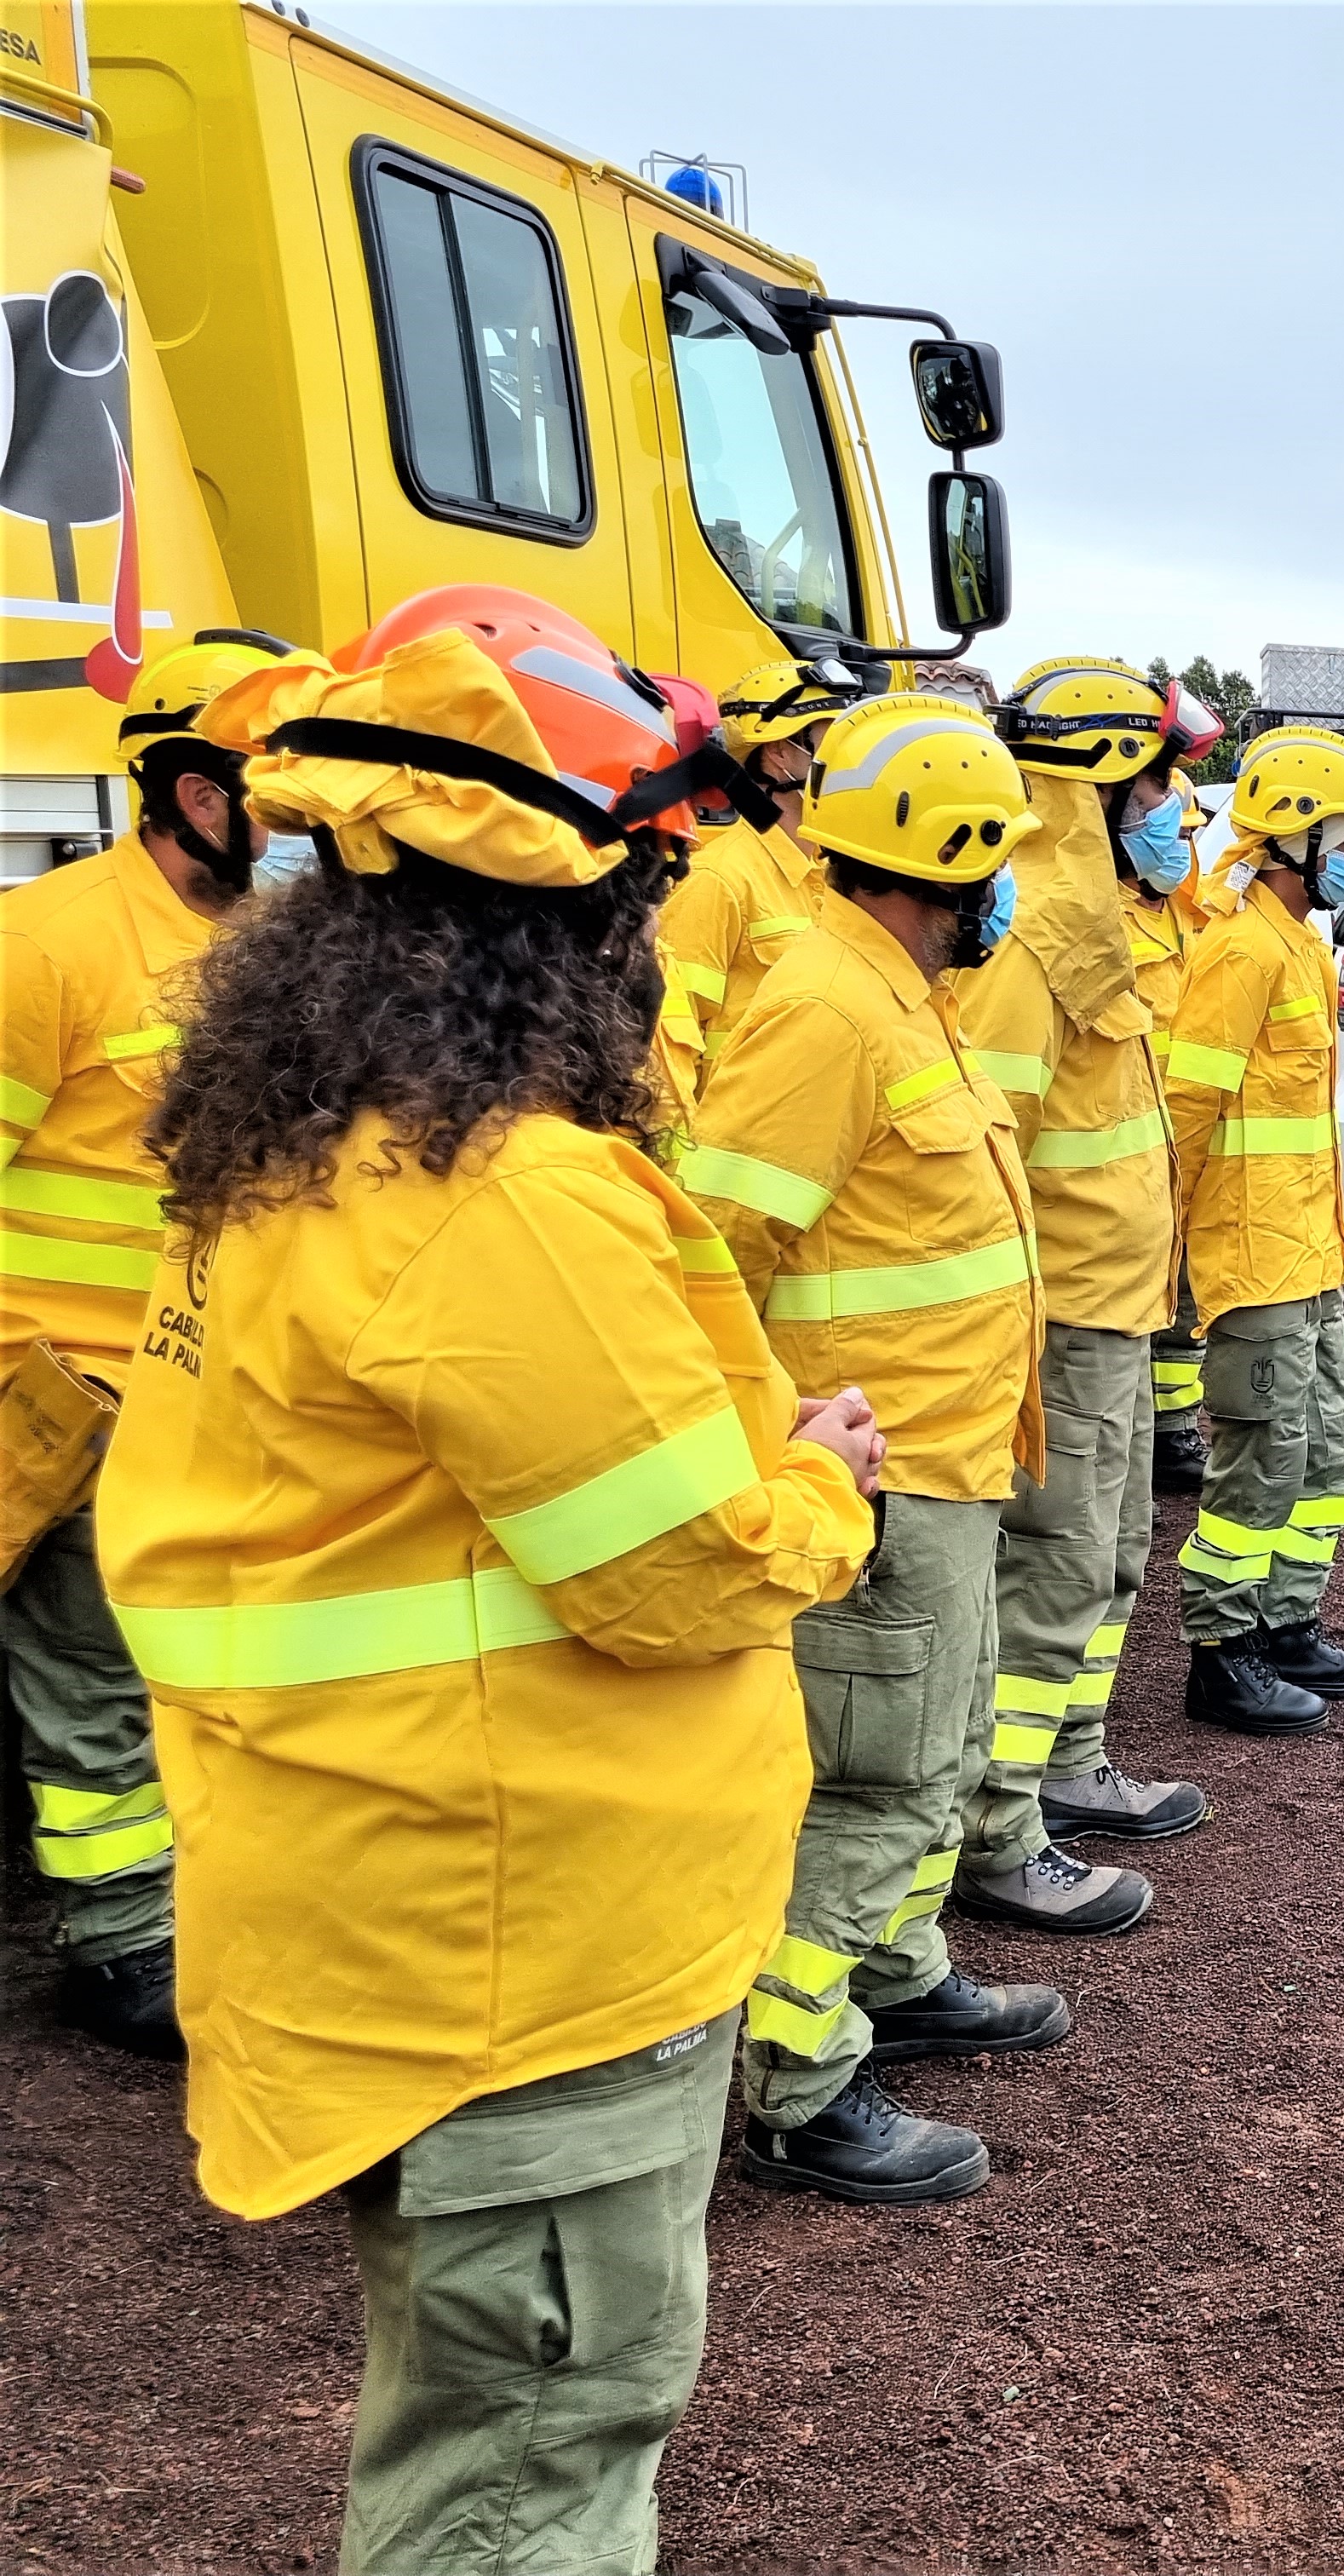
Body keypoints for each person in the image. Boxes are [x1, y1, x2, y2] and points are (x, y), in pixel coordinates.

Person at [102, 596, 877, 2567]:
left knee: (477, 2422)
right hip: (518, 1954)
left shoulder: (305, 1142)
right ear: (565, 912)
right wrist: (823, 1492)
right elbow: (678, 1571)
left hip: (404, 1896)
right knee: (533, 2451)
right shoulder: (502, 1189)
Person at [685, 689, 1085, 2204]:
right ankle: (802, 2082)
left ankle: (898, 1974)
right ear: (955, 852)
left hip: (947, 1464)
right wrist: (770, 1430)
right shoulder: (825, 1004)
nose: (1012, 886)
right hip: (878, 1475)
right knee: (875, 1781)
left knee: (931, 1755)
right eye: (1002, 859)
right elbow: (709, 1246)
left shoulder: (895, 988)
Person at [0, 627, 317, 2058]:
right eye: (290, 790)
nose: (316, 827)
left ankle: (196, 1898)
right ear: (202, 793)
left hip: (227, 1384)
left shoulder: (275, 958)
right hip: (80, 1384)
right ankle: (120, 1933)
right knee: (93, 1672)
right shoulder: (50, 943)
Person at [951, 660, 1213, 1929]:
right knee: (1055, 1564)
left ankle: (1066, 1766)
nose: (1182, 813)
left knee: (1106, 1558)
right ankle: (1001, 1825)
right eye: (1166, 784)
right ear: (1110, 783)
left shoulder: (1089, 911)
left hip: (1112, 1305)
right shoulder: (1043, 926)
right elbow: (984, 1143)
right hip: (1059, 1315)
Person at [1165, 727, 1344, 1728]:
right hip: (1253, 1253)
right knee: (1261, 1451)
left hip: (1309, 1249)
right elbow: (1186, 1113)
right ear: (1294, 839)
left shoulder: (1300, 941)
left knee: (1328, 1449)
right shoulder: (1240, 947)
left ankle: (1287, 1623)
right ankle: (1221, 1652)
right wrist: (1164, 1245)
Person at [1100, 674, 1225, 1498]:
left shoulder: (1188, 908)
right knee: (1127, 1314)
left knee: (1183, 1308)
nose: (1175, 839)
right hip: (1125, 1155)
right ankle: (1138, 1437)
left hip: (1184, 1146)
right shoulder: (1095, 921)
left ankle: (1172, 1432)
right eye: (1158, 819)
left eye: (1183, 825)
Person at [654, 656, 863, 1103]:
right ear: (780, 753)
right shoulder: (719, 880)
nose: (854, 762)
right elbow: (669, 1046)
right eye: (835, 743)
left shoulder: (838, 874)